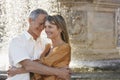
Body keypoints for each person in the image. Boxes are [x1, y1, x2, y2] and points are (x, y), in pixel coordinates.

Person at [7, 9, 70, 80]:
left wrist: (18, 70)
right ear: (30, 20)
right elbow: (29, 65)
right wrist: (58, 72)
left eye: (44, 25)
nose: (42, 28)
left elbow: (45, 65)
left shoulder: (46, 43)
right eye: (40, 24)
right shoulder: (17, 41)